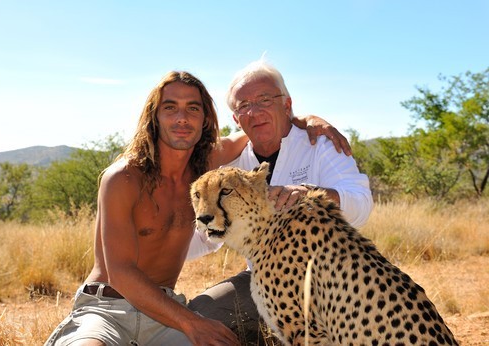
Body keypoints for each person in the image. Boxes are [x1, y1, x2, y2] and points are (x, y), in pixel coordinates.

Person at [44, 70, 350, 346]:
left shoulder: (205, 168)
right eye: (170, 108)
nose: (182, 118)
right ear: (154, 116)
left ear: (205, 120)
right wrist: (193, 323)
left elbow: (258, 126)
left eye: (193, 108)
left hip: (165, 312)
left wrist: (303, 119)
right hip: (108, 307)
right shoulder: (122, 178)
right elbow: (121, 273)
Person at [187, 60, 374, 344]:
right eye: (243, 105)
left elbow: (361, 204)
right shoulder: (233, 167)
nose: (254, 111)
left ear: (287, 105)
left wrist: (312, 194)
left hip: (331, 278)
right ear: (236, 119)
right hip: (262, 279)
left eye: (264, 99)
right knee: (199, 315)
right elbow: (208, 235)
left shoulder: (320, 144)